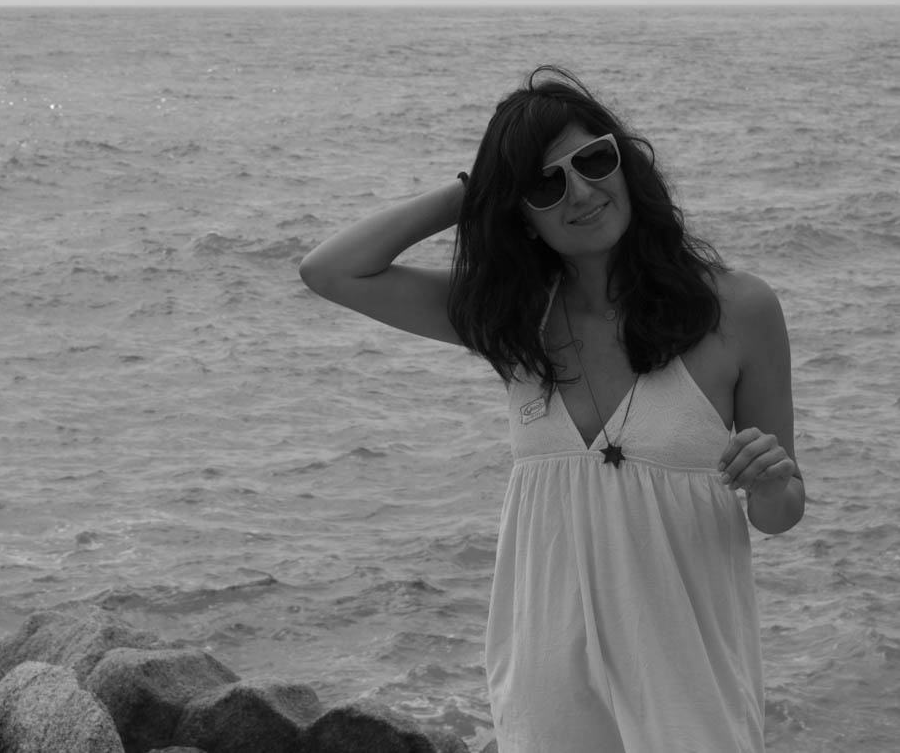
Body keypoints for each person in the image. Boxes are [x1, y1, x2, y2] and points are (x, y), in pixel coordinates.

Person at [298, 65, 804, 753]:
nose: (582, 192)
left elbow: (780, 512)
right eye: (544, 184)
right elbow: (330, 271)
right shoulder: (511, 320)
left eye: (593, 161)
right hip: (549, 696)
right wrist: (475, 190)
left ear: (625, 164)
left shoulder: (738, 309)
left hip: (689, 689)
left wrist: (771, 483)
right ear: (521, 216)